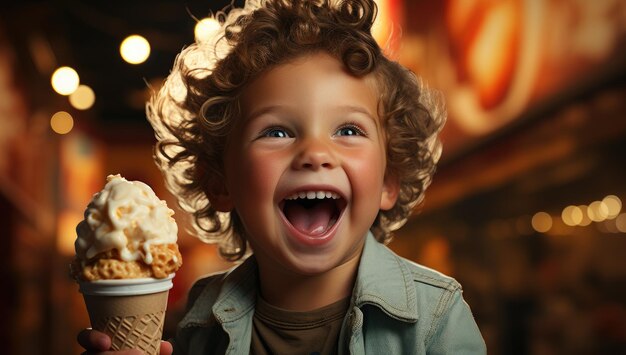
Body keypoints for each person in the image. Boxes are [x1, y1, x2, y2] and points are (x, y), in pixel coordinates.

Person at [78, 0, 486, 353]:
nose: (314, 153)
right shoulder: (198, 325)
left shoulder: (436, 319)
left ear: (388, 181)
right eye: (276, 131)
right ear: (220, 181)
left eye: (348, 130)